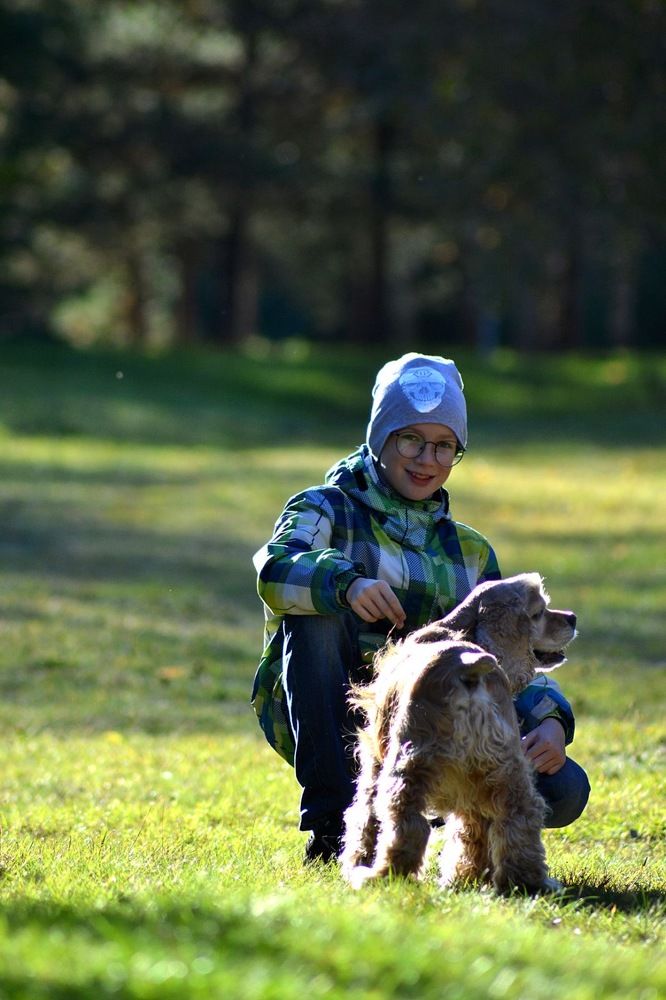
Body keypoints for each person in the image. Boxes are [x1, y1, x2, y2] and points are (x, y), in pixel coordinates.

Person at [251, 353, 590, 863]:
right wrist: (345, 584)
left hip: (432, 729)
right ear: (380, 437)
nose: (427, 458)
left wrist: (551, 719)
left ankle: (435, 819)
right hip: (339, 721)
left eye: (445, 445)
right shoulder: (323, 508)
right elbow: (276, 567)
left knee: (564, 787)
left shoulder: (470, 553)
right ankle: (332, 825)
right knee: (313, 618)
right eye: (410, 438)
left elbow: (507, 647)